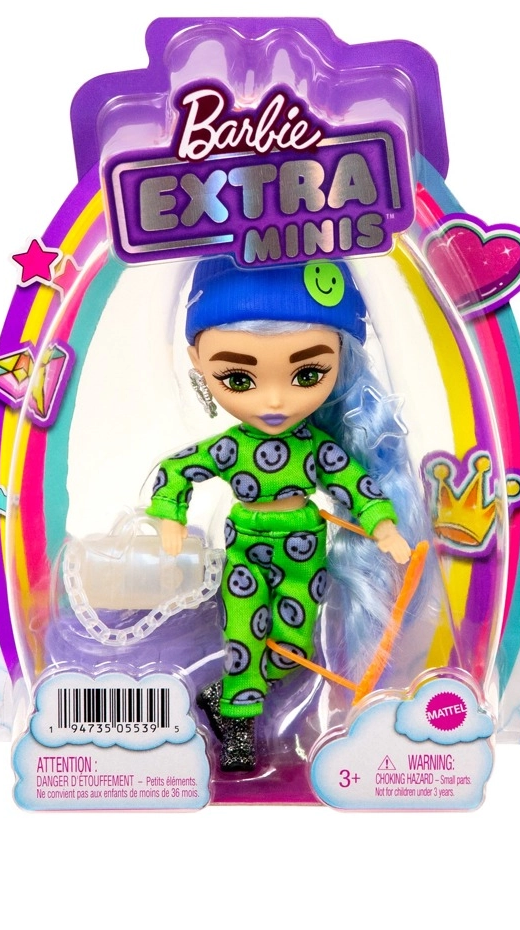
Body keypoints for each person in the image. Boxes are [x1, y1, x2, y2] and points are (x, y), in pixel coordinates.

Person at [148, 256, 415, 771]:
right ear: (197, 362)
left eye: (307, 373)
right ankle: (239, 731)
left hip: (305, 550)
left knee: (292, 647)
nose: (274, 399)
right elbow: (178, 469)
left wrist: (382, 525)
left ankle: (225, 697)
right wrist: (170, 517)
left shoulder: (315, 447)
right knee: (244, 635)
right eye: (238, 377)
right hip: (247, 548)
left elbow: (353, 482)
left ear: (341, 358)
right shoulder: (232, 446)